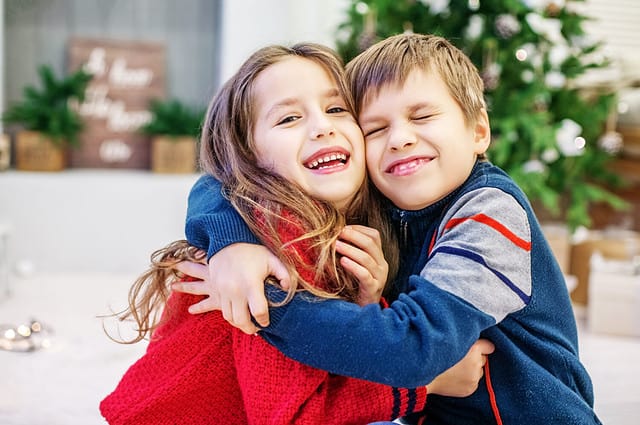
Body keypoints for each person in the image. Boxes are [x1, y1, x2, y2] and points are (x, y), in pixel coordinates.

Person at [176, 33, 601, 424]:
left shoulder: (488, 214)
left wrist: (266, 299)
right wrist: (232, 245)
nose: (399, 139)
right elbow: (222, 180)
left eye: (422, 116)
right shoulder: (386, 196)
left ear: (478, 131)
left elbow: (415, 348)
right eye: (375, 129)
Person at [100, 42, 493, 425]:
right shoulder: (278, 239)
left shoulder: (338, 226)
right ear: (247, 155)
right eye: (289, 118)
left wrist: (367, 303)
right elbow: (290, 416)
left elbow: (322, 359)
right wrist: (428, 382)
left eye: (337, 109)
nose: (323, 127)